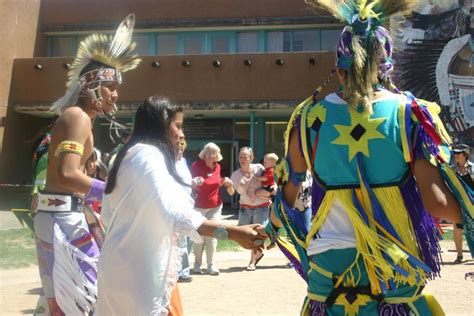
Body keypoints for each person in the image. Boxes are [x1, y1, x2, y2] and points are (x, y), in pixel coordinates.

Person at [265, 1, 472, 314]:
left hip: (328, 272)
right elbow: (436, 204)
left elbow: (290, 192)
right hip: (391, 268)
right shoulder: (410, 114)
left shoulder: (310, 119)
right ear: (387, 65)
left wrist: (269, 231)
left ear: (339, 68)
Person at [96, 97, 265, 315]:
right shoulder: (148, 155)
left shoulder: (131, 154)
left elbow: (108, 215)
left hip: (121, 270)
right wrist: (232, 233)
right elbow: (174, 213)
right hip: (139, 276)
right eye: (178, 126)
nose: (181, 133)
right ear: (161, 125)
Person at [33, 14, 140, 315]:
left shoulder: (80, 120)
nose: (115, 95)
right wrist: (111, 191)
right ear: (91, 86)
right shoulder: (77, 117)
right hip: (61, 219)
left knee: (74, 301)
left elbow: (72, 174)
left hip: (65, 216)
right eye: (110, 88)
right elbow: (67, 175)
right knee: (83, 301)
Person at [191, 142, 234, 275]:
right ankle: (197, 264)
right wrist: (194, 182)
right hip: (198, 207)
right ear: (204, 154)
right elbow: (191, 183)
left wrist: (225, 182)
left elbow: (215, 182)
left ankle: (211, 265)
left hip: (215, 206)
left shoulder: (217, 167)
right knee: (199, 236)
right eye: (208, 152)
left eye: (214, 153)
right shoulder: (196, 165)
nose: (211, 155)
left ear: (217, 156)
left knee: (213, 235)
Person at [231, 147, 270, 271]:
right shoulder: (236, 174)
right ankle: (258, 252)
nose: (242, 159)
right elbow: (239, 191)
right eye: (240, 157)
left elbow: (268, 180)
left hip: (261, 206)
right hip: (245, 207)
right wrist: (246, 183)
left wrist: (270, 189)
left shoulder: (259, 168)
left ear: (251, 158)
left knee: (258, 234)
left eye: (245, 157)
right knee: (243, 234)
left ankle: (252, 261)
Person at [451, 143, 474, 264]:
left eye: (458, 153)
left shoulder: (473, 168)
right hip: (458, 204)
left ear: (465, 155)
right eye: (454, 153)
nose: (455, 155)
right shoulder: (451, 170)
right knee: (457, 228)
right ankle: (459, 256)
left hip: (473, 204)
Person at [175, 137, 194, 282]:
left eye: (182, 145)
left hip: (187, 204)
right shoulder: (169, 162)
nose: (180, 147)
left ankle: (181, 267)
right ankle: (182, 271)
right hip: (176, 205)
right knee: (181, 239)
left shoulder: (184, 162)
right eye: (177, 145)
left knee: (189, 237)